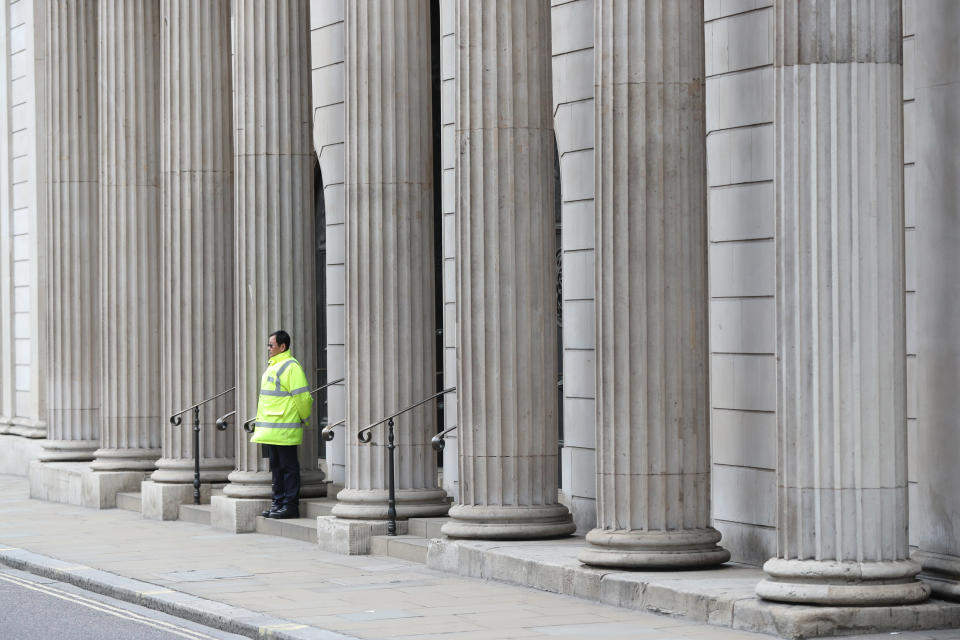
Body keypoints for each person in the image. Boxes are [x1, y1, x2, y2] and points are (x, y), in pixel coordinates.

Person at [250, 330, 312, 519]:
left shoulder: (290, 366)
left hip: (284, 428)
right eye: (268, 345)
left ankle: (290, 506)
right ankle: (278, 503)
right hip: (272, 429)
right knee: (277, 468)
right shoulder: (274, 366)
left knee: (288, 468)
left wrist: (304, 417)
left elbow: (303, 398)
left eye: (271, 345)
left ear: (282, 347)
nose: (268, 348)